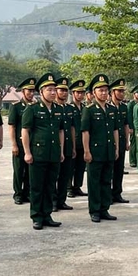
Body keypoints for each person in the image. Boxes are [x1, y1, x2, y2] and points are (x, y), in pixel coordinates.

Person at [21, 73, 64, 230]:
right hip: (38, 154)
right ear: (41, 91)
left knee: (50, 186)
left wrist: (61, 151)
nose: (53, 93)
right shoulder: (32, 109)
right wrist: (27, 152)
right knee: (37, 187)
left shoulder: (58, 109)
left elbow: (61, 131)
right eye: (50, 90)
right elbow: (25, 131)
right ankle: (37, 216)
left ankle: (47, 215)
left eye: (54, 90)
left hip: (53, 153)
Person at [82, 74, 119, 222]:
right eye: (100, 90)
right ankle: (95, 210)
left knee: (106, 181)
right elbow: (85, 131)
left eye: (105, 90)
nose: (104, 93)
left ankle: (104, 209)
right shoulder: (89, 110)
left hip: (109, 151)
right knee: (94, 182)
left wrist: (116, 148)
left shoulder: (111, 109)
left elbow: (116, 130)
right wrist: (86, 151)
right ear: (94, 92)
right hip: (95, 152)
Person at [8, 77, 36, 205]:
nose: (31, 93)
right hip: (19, 143)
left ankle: (27, 193)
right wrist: (13, 144)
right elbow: (12, 127)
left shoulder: (35, 106)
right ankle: (18, 194)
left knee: (30, 171)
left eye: (32, 91)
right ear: (23, 92)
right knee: (19, 170)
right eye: (28, 91)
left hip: (32, 143)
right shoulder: (16, 106)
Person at [53, 77, 75, 212]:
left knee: (65, 175)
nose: (64, 93)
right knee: (54, 175)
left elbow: (72, 128)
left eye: (66, 90)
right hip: (54, 147)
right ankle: (54, 201)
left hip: (67, 147)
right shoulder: (53, 107)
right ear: (55, 91)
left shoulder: (69, 108)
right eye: (61, 90)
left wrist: (72, 146)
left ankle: (61, 200)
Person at [110, 78, 130, 203]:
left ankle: (117, 193)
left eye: (123, 91)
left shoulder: (123, 107)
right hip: (110, 143)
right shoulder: (108, 107)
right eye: (119, 91)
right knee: (110, 170)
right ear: (113, 92)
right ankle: (109, 194)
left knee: (119, 170)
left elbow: (126, 125)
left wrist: (127, 141)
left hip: (121, 141)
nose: (122, 94)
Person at [68, 80, 88, 198]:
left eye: (82, 93)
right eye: (78, 93)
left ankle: (77, 186)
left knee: (81, 166)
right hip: (72, 141)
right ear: (73, 93)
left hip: (83, 140)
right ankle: (69, 187)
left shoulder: (85, 107)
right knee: (71, 166)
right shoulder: (69, 108)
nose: (80, 95)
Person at [127, 85, 138, 169]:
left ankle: (136, 160)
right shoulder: (131, 104)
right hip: (133, 126)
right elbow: (129, 116)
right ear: (134, 94)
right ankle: (132, 160)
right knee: (133, 144)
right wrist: (130, 127)